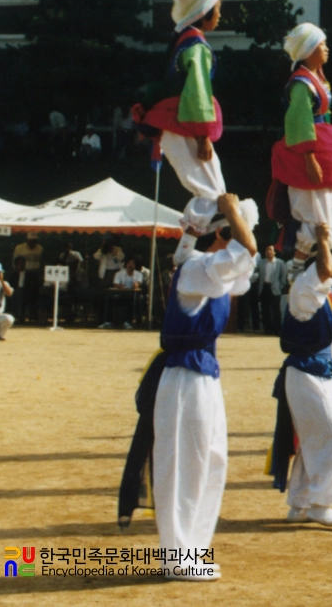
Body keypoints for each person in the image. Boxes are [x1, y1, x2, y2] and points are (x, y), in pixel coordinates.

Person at [118, 193, 258, 580]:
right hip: (184, 377)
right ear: (224, 235)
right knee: (182, 464)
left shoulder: (205, 268)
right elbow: (247, 252)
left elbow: (245, 265)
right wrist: (229, 211)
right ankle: (177, 555)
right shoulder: (198, 270)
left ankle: (191, 550)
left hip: (203, 376)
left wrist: (198, 228)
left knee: (210, 460)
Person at [268, 223, 332, 526]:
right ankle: (321, 503)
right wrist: (325, 239)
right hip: (303, 373)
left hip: (321, 373)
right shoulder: (305, 286)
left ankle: (299, 503)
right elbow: (325, 266)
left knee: (312, 440)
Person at [131, 0, 228, 232]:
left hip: (175, 124)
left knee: (214, 195)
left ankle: (192, 245)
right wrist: (203, 135)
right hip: (186, 125)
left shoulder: (183, 41)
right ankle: (190, 247)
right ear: (204, 12)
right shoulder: (196, 45)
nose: (220, 15)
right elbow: (198, 91)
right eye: (217, 8)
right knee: (213, 194)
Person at [270, 24, 332, 262]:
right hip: (309, 154)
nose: (326, 48)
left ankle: (313, 270)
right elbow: (299, 121)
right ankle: (297, 269)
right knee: (314, 216)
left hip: (321, 148)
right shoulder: (301, 84)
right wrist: (309, 157)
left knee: (327, 212)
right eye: (321, 44)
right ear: (309, 49)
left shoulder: (315, 79)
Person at [102, 257, 145, 329]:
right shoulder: (119, 273)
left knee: (135, 301)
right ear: (126, 264)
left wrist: (136, 283)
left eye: (133, 263)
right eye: (129, 263)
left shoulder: (138, 274)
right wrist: (119, 286)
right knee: (109, 300)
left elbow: (139, 283)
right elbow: (115, 283)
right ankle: (108, 321)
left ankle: (129, 322)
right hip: (121, 294)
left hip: (133, 295)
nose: (131, 265)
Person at [10, 232, 44, 324]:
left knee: (32, 293)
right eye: (31, 241)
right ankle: (19, 315)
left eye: (35, 241)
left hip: (32, 275)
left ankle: (32, 315)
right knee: (18, 294)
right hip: (18, 288)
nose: (33, 243)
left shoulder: (40, 248)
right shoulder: (19, 248)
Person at [255, 246, 288, 335]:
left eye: (270, 250)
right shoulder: (261, 262)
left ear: (274, 252)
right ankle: (267, 329)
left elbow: (284, 277)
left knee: (276, 310)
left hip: (275, 288)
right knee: (265, 309)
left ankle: (277, 330)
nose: (268, 252)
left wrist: (280, 287)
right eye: (267, 250)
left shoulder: (280, 263)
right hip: (264, 287)